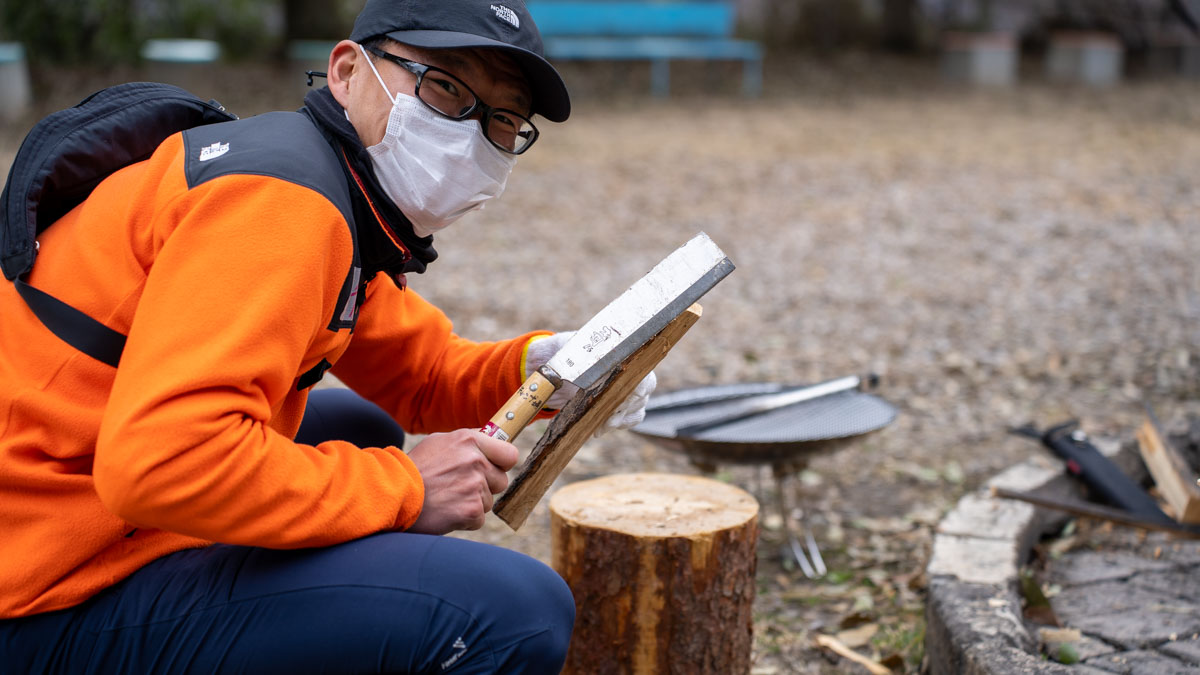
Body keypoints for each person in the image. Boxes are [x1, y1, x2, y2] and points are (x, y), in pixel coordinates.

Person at [0, 0, 654, 671]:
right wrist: (406, 489)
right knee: (517, 611)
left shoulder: (328, 186)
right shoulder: (282, 202)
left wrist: (545, 367)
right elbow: (159, 463)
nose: (470, 133)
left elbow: (423, 375)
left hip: (65, 504)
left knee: (356, 423)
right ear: (347, 72)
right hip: (42, 592)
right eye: (445, 87)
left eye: (503, 118)